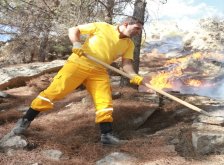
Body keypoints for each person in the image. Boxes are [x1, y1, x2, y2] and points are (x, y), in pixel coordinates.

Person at [11, 16, 145, 145]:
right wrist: (76, 43)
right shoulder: (102, 27)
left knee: (104, 101)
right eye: (137, 28)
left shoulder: (129, 44)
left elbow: (126, 63)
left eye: (139, 30)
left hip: (99, 72)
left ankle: (107, 135)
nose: (138, 32)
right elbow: (74, 30)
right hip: (78, 64)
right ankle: (25, 120)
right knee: (55, 92)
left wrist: (134, 75)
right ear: (126, 24)